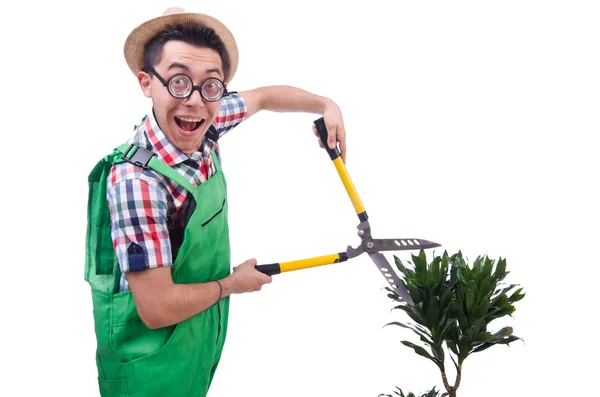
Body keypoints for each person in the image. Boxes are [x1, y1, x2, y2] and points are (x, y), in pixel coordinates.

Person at [84, 6, 347, 397]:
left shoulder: (209, 117)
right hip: (148, 367)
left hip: (195, 340)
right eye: (177, 82)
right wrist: (232, 284)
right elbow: (155, 309)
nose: (194, 102)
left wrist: (326, 105)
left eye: (210, 86)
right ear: (146, 82)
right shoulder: (138, 182)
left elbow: (263, 97)